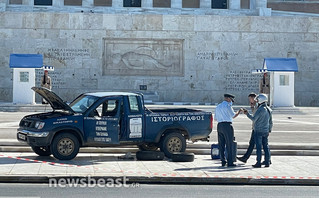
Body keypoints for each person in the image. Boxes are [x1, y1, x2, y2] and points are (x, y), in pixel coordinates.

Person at [243, 94, 273, 168]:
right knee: (266, 146)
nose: (257, 101)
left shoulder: (260, 109)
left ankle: (258, 162)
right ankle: (267, 161)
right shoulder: (269, 109)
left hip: (258, 130)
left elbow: (253, 118)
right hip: (265, 131)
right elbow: (270, 122)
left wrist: (247, 114)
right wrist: (269, 130)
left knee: (259, 147)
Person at [214, 93, 241, 167]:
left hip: (219, 125)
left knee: (221, 144)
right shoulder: (228, 106)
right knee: (229, 144)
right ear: (228, 98)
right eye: (231, 100)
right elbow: (233, 115)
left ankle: (223, 160)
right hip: (227, 125)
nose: (231, 101)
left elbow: (215, 118)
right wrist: (239, 112)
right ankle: (230, 161)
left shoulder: (218, 106)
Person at [237, 92, 257, 163]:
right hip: (256, 127)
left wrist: (247, 114)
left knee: (253, 143)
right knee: (261, 143)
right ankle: (268, 159)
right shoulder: (255, 106)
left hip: (257, 128)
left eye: (250, 99)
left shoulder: (257, 106)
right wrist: (252, 107)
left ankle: (245, 158)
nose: (249, 101)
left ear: (253, 98)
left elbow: (254, 118)